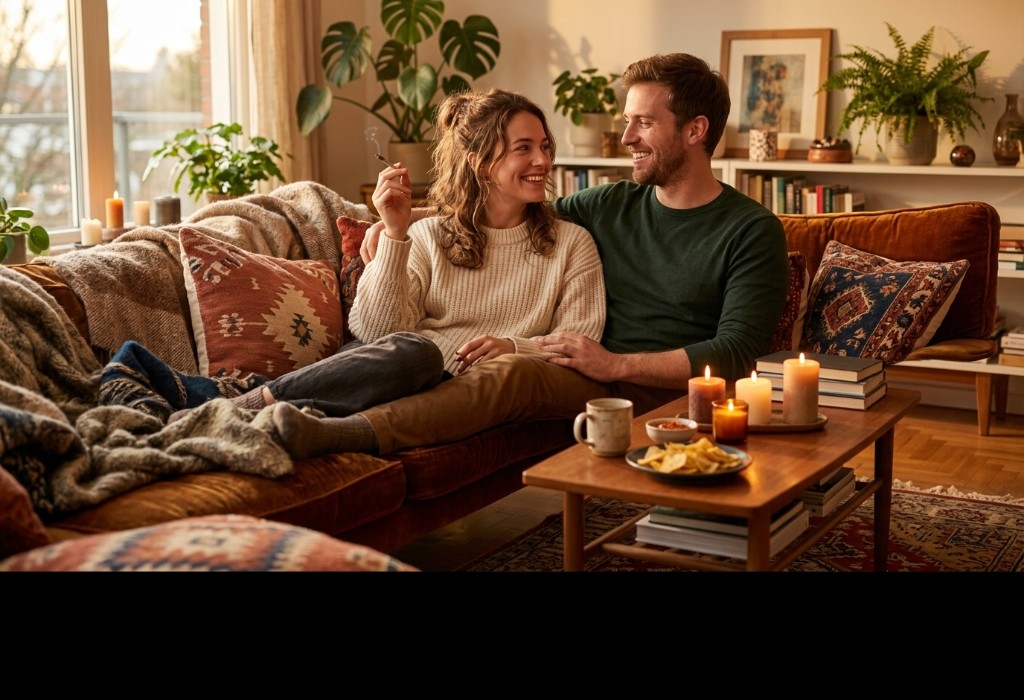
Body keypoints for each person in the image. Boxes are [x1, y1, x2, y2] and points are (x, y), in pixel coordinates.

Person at [272, 52, 790, 458]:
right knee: (417, 355)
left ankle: (346, 434)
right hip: (584, 374)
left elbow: (737, 352)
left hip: (656, 392)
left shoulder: (750, 229)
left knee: (511, 373)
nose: (626, 137)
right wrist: (394, 226)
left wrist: (614, 362)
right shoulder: (608, 205)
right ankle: (264, 398)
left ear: (695, 130)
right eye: (627, 120)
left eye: (644, 123)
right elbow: (507, 205)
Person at [169, 87, 605, 425]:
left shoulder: (571, 243)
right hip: (400, 366)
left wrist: (514, 347)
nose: (542, 160)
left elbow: (581, 340)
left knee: (419, 357)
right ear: (479, 162)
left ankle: (229, 404)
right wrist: (395, 233)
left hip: (456, 386)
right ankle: (240, 405)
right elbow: (376, 332)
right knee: (416, 354)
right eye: (524, 148)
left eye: (544, 146)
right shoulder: (428, 235)